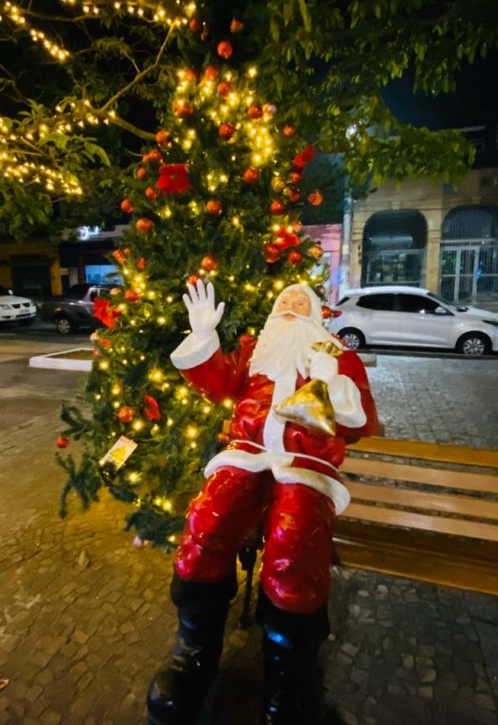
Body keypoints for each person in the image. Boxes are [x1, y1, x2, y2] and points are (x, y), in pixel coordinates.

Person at [147, 281, 378, 724]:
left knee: (295, 542)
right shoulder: (257, 351)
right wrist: (203, 339)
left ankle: (289, 677)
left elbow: (360, 419)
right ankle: (194, 654)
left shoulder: (337, 356)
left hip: (306, 464)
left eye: (300, 302)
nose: (290, 307)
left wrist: (332, 382)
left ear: (316, 314)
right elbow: (218, 384)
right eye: (283, 302)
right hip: (246, 455)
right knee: (207, 522)